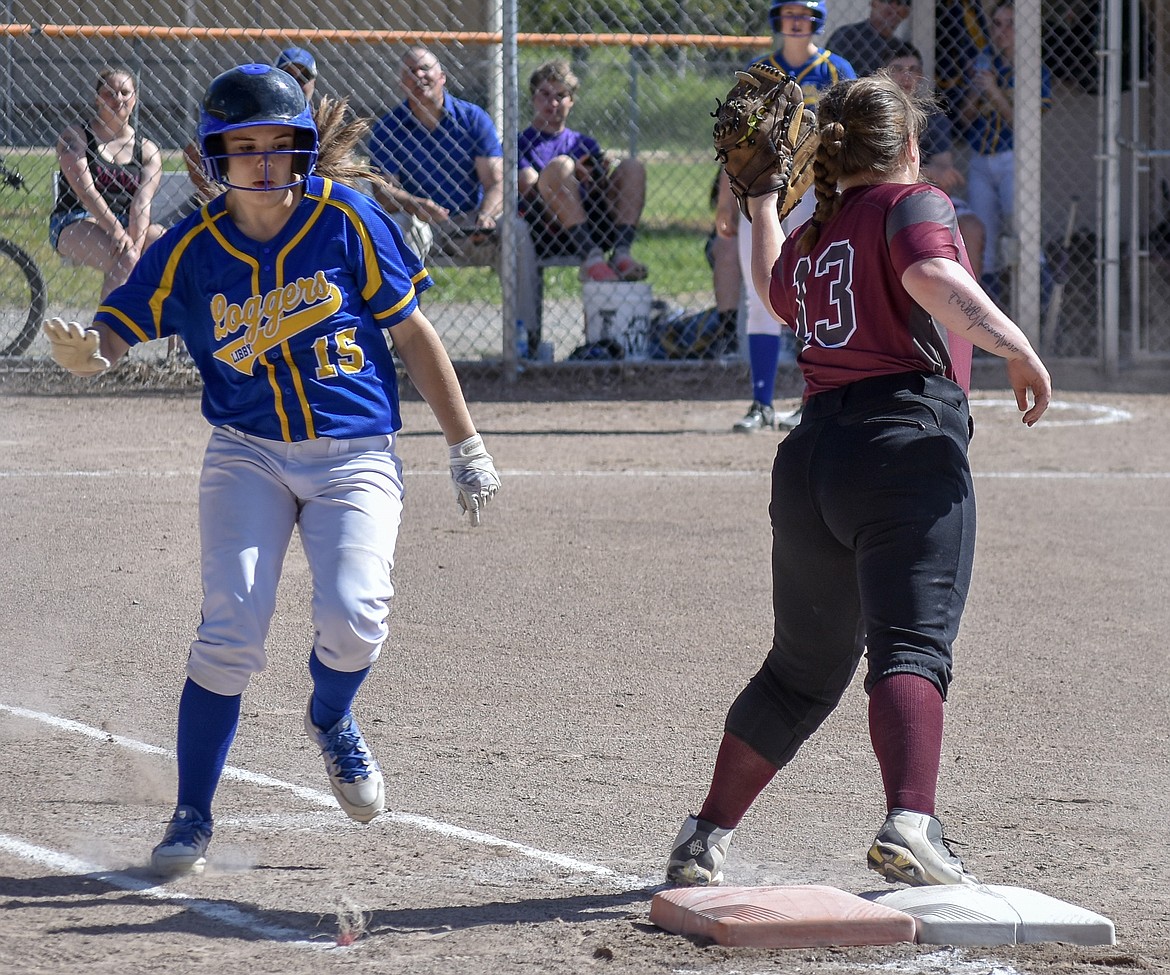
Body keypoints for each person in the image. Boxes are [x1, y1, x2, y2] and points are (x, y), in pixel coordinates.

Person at [40, 63, 502, 876]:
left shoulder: (346, 219)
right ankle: (191, 814)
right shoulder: (191, 243)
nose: (261, 162)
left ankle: (330, 719)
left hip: (355, 452)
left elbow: (415, 333)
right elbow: (121, 322)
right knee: (231, 627)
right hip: (247, 455)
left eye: (278, 146)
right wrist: (95, 352)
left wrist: (465, 444)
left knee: (357, 617)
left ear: (304, 151)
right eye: (241, 146)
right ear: (213, 157)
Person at [665, 73, 1051, 889]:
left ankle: (704, 833)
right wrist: (1015, 343)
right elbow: (931, 282)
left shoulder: (819, 228)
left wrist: (765, 199)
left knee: (799, 671)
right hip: (903, 449)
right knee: (910, 646)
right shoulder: (912, 204)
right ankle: (912, 819)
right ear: (907, 148)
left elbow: (775, 292)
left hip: (812, 463)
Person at [724, 0, 855, 433]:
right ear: (778, 19)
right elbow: (734, 145)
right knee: (759, 297)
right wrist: (728, 201)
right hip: (759, 195)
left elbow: (851, 134)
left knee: (812, 296)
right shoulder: (759, 70)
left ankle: (810, 400)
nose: (796, 21)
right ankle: (761, 402)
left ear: (817, 20)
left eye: (804, 14)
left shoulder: (837, 70)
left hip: (816, 195)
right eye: (789, 14)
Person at [367, 46, 505, 268]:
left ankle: (521, 304)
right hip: (420, 222)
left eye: (424, 68)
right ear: (402, 84)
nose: (418, 75)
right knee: (400, 225)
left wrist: (486, 216)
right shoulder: (388, 128)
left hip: (470, 221)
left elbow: (496, 181)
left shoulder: (473, 119)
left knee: (514, 229)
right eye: (410, 72)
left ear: (442, 77)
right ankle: (407, 303)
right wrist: (417, 205)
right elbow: (383, 191)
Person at [518, 58, 648, 284]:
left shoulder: (583, 143)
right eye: (545, 94)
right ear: (533, 98)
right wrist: (570, 174)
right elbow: (527, 188)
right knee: (561, 167)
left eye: (561, 96)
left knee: (631, 167)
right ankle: (591, 259)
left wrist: (596, 180)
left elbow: (598, 192)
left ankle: (622, 254)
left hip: (592, 224)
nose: (553, 103)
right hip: (544, 229)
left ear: (572, 101)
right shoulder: (518, 143)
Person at [958, 1, 1052, 297]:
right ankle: (990, 305)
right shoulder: (985, 63)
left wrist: (995, 93)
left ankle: (1040, 299)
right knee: (984, 234)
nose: (1002, 31)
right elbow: (964, 117)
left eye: (1010, 24)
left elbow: (1024, 122)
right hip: (981, 159)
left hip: (1015, 159)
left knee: (1023, 231)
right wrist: (977, 89)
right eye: (997, 24)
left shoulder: (1035, 69)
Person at [50, 65, 166, 300]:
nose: (117, 99)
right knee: (127, 259)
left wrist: (136, 240)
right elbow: (86, 192)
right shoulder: (75, 137)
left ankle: (177, 333)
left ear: (134, 99)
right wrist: (115, 231)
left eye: (125, 92)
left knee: (174, 252)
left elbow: (141, 203)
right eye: (109, 93)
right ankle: (102, 332)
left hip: (130, 224)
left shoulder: (147, 150)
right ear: (97, 100)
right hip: (77, 219)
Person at [883, 40, 986, 280]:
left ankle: (968, 312)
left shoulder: (932, 114)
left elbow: (944, 168)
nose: (906, 76)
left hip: (925, 196)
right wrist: (929, 172)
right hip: (885, 198)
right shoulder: (875, 112)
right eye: (898, 69)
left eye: (914, 70)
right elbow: (877, 173)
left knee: (971, 228)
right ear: (883, 74)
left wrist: (936, 173)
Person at [184, 46, 320, 203]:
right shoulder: (252, 109)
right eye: (248, 148)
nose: (295, 81)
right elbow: (192, 151)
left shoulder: (323, 123)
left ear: (314, 81)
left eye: (304, 77)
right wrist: (212, 196)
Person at [825, 0, 913, 78]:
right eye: (886, 1)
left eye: (900, 2)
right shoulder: (847, 36)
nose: (893, 7)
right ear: (873, 3)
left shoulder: (900, 48)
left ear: (907, 12)